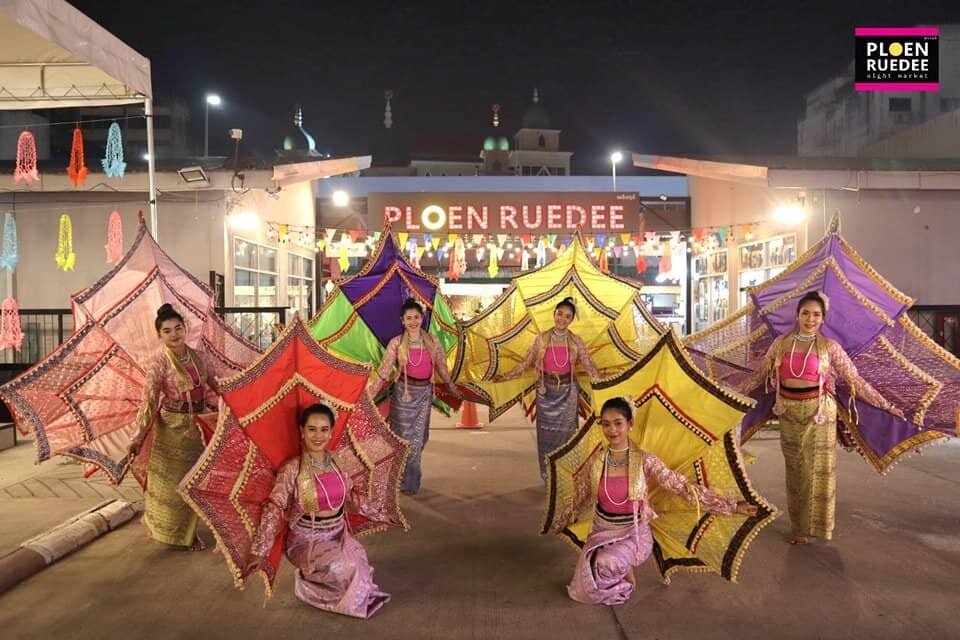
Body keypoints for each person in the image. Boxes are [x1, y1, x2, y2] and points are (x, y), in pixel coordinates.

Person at [739, 291, 904, 545]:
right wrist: (733, 392)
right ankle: (798, 528)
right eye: (805, 313)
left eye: (816, 314)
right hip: (788, 413)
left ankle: (819, 527)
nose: (810, 319)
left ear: (823, 318)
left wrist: (887, 405)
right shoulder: (781, 344)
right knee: (796, 470)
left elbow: (855, 380)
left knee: (819, 471)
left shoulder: (830, 347)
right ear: (797, 315)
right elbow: (759, 376)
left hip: (820, 415)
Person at [560, 397, 758, 606]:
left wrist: (731, 505)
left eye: (618, 423)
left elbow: (681, 487)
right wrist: (560, 521)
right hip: (602, 532)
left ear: (630, 424)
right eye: (606, 424)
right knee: (583, 587)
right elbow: (580, 495)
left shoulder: (645, 460)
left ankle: (625, 581)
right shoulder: (596, 461)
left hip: (634, 534)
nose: (612, 430)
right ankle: (619, 563)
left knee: (605, 563)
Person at [244, 404, 390, 618]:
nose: (318, 436)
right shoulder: (292, 469)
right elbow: (275, 507)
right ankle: (308, 585)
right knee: (346, 567)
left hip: (338, 532)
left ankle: (338, 586)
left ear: (331, 432)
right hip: (307, 540)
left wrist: (380, 513)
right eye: (312, 429)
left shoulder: (337, 461)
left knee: (360, 559)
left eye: (324, 429)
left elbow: (351, 495)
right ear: (302, 431)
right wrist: (260, 550)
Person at [129, 303, 224, 550]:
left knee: (199, 480)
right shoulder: (159, 363)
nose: (174, 334)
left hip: (199, 425)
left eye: (178, 328)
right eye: (167, 331)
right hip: (171, 428)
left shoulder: (200, 357)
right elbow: (149, 402)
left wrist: (243, 400)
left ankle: (200, 527)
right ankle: (181, 535)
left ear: (185, 329)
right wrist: (137, 437)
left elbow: (220, 385)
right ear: (159, 335)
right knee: (175, 485)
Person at [493, 297, 600, 481]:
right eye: (560, 314)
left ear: (571, 320)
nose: (562, 319)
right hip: (545, 394)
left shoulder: (576, 341)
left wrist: (605, 383)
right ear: (554, 314)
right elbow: (526, 363)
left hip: (568, 394)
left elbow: (588, 365)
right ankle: (548, 477)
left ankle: (567, 478)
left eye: (567, 316)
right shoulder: (541, 339)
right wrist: (506, 377)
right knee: (545, 437)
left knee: (568, 437)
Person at [367, 298, 456, 495]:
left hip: (424, 396)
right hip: (403, 397)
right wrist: (370, 394)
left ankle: (407, 476)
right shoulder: (397, 343)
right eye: (409, 318)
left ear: (422, 318)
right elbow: (384, 371)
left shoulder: (433, 341)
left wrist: (451, 386)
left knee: (420, 439)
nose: (413, 321)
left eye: (416, 317)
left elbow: (441, 367)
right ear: (402, 320)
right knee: (403, 440)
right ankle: (406, 481)